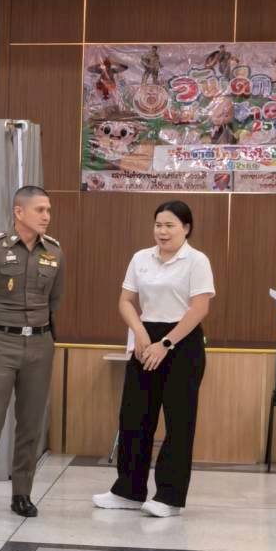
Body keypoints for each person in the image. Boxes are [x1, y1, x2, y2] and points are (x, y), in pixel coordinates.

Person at [92, 201, 214, 518]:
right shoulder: (140, 258)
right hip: (146, 339)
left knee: (178, 422)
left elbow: (199, 308)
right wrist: (139, 332)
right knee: (134, 416)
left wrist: (166, 343)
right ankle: (128, 491)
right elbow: (126, 301)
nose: (162, 231)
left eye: (170, 225)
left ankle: (170, 497)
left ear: (186, 228)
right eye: (158, 224)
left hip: (182, 343)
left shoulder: (197, 260)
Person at [0, 186, 63, 521]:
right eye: (40, 210)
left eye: (48, 210)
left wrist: (45, 338)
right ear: (19, 212)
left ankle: (22, 493)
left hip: (40, 344)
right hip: (0, 342)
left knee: (31, 422)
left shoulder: (55, 252)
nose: (46, 216)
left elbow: (54, 301)